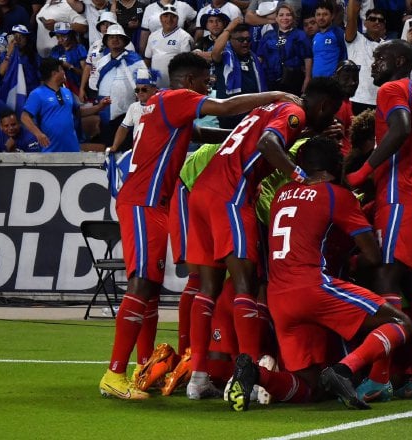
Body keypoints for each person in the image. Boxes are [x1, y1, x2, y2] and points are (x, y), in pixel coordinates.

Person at [97, 51, 301, 401]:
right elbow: (223, 108)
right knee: (142, 283)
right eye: (206, 80)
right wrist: (275, 96)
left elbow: (205, 132)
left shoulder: (163, 106)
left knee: (152, 287)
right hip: (143, 201)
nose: (209, 86)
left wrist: (236, 141)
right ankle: (114, 374)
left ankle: (142, 367)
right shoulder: (177, 98)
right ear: (190, 81)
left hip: (153, 202)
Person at [225, 136, 412, 412]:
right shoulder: (336, 195)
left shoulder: (281, 194)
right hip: (314, 287)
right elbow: (372, 256)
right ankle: (345, 370)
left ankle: (256, 374)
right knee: (401, 322)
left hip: (279, 298)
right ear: (337, 165)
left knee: (310, 388)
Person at [185, 77, 343, 400]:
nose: (332, 120)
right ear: (324, 106)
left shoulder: (273, 108)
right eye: (332, 113)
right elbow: (268, 144)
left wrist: (312, 134)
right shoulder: (294, 113)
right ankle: (249, 375)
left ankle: (197, 377)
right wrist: (300, 178)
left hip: (203, 191)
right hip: (232, 193)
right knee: (246, 282)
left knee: (207, 289)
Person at [345, 39, 412, 401]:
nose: (374, 65)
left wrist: (364, 171)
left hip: (400, 196)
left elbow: (398, 129)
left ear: (400, 60)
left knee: (386, 277)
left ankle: (381, 376)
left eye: (380, 58)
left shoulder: (392, 88)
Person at [21, 58, 110, 152]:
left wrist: (99, 107)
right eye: (62, 70)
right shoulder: (37, 94)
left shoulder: (67, 92)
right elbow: (24, 117)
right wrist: (38, 134)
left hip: (73, 149)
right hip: (50, 150)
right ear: (54, 73)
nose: (64, 73)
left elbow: (78, 112)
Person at [94, 24, 145, 146]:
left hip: (127, 111)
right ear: (106, 41)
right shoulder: (102, 61)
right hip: (106, 111)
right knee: (108, 144)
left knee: (126, 145)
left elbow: (144, 83)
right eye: (111, 37)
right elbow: (96, 84)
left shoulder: (135, 59)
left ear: (124, 41)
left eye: (118, 37)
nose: (115, 40)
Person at [210, 20, 267, 129]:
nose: (245, 42)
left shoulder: (254, 58)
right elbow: (215, 51)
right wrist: (229, 28)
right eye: (241, 40)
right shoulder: (225, 57)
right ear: (230, 40)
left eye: (248, 39)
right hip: (229, 116)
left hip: (252, 115)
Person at [256, 3, 312, 95]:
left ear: (293, 18)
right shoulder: (268, 36)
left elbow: (308, 58)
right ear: (276, 18)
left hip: (293, 81)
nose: (284, 18)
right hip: (270, 81)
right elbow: (259, 59)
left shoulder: (300, 35)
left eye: (288, 15)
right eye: (281, 15)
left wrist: (307, 79)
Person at [344, 0, 385, 114]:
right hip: (356, 98)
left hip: (378, 100)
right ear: (365, 23)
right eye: (372, 19)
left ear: (384, 25)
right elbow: (351, 18)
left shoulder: (387, 46)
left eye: (380, 20)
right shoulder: (356, 39)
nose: (377, 22)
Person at [109, 68, 159, 152]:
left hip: (157, 151)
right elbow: (123, 128)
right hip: (138, 152)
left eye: (144, 89)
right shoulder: (133, 107)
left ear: (154, 90)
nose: (140, 92)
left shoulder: (162, 105)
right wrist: (114, 146)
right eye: (137, 90)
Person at [144, 5, 194, 89]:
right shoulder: (153, 35)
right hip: (155, 87)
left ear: (178, 19)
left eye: (173, 16)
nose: (169, 20)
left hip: (176, 86)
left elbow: (186, 64)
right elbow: (147, 59)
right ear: (160, 19)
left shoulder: (184, 36)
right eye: (165, 16)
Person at [0, 24, 40, 113]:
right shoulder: (5, 55)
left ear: (26, 39)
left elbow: (41, 78)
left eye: (22, 37)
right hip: (12, 94)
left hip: (31, 94)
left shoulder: (34, 56)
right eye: (15, 36)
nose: (18, 40)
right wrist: (9, 52)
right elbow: (1, 72)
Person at [48, 22, 87, 99]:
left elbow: (85, 73)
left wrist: (70, 67)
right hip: (60, 91)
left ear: (71, 34)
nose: (61, 40)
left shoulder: (79, 49)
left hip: (77, 89)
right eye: (58, 37)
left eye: (64, 36)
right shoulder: (55, 50)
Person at [311, 1, 346, 78]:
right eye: (318, 14)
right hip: (316, 82)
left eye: (325, 14)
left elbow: (345, 55)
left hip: (332, 82)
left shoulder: (338, 33)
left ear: (332, 16)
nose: (321, 18)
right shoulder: (315, 36)